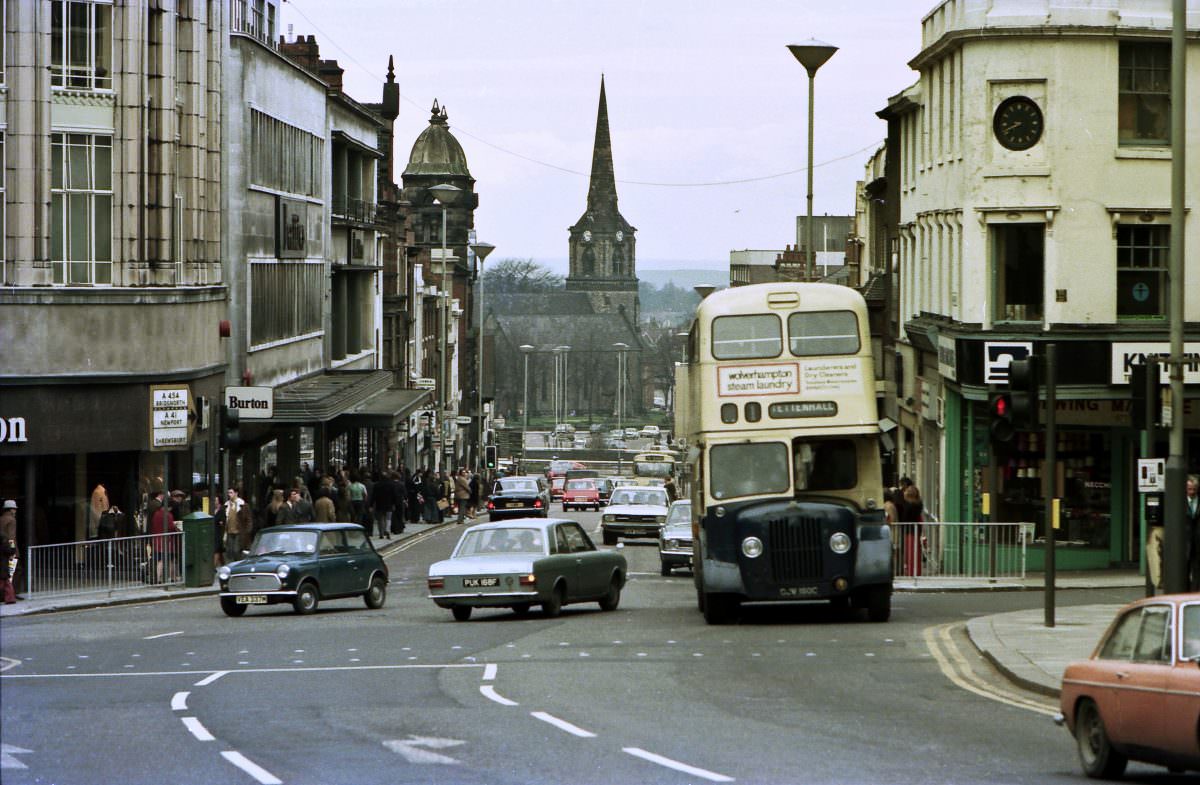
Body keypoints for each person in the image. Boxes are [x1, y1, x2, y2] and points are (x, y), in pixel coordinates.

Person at [898, 484, 925, 577]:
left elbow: (905, 518)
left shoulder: (909, 505)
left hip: (909, 530)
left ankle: (911, 572)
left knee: (910, 553)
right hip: (915, 530)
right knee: (916, 552)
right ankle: (916, 572)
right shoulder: (918, 503)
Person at [1, 500, 20, 602]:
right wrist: (12, 551)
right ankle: (12, 594)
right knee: (16, 571)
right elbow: (11, 537)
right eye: (14, 509)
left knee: (4, 572)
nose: (15, 511)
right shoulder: (12, 520)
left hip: (2, 549)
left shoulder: (1, 519)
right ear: (11, 509)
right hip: (9, 549)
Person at [370, 471, 396, 539]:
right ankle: (387, 530)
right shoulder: (391, 485)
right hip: (389, 504)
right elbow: (394, 495)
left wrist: (371, 505)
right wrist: (394, 504)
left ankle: (381, 533)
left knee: (380, 520)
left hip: (379, 504)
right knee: (388, 519)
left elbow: (373, 496)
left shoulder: (376, 485)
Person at [1186, 475, 1199, 591]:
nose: (1192, 492)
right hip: (1185, 542)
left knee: (1197, 571)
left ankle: (1195, 592)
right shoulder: (1180, 502)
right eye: (1189, 489)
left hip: (1198, 541)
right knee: (1184, 569)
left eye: (1194, 489)